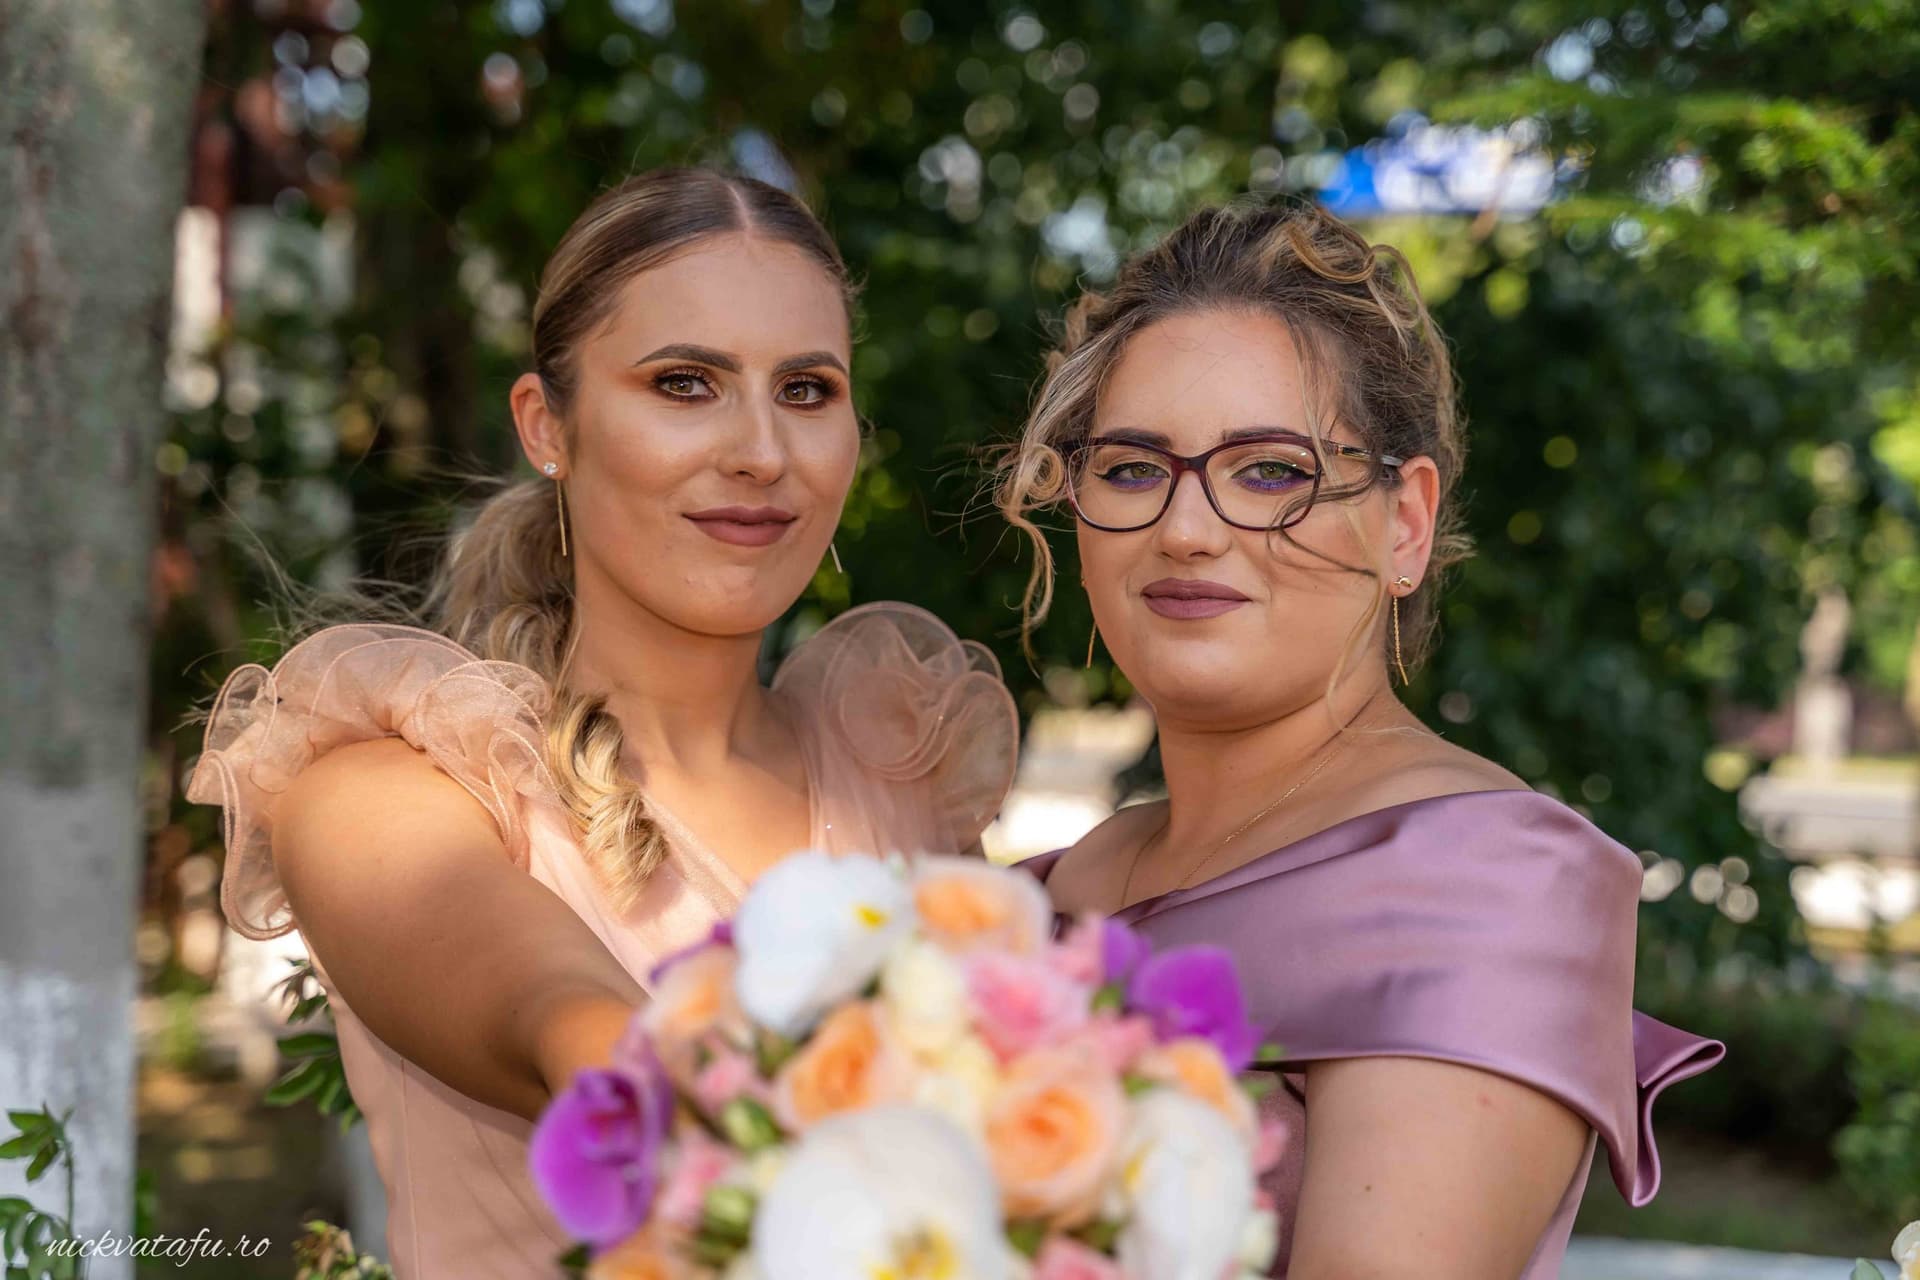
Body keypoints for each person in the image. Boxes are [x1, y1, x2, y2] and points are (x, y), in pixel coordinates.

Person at [186, 168, 1017, 1278]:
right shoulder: (381, 791)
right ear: (548, 425)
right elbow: (566, 1020)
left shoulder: (906, 780)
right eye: (686, 383)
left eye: (807, 390)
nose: (762, 452)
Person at [999, 198, 1723, 1278]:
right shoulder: (1040, 893)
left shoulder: (1484, 879)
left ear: (1407, 523)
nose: (1187, 529)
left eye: (1272, 471)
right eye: (1134, 467)